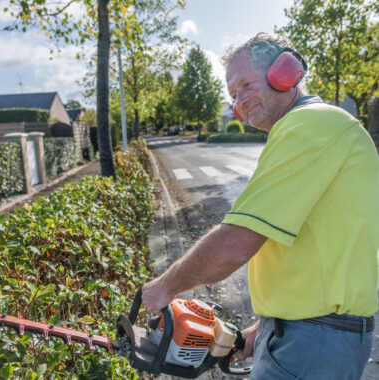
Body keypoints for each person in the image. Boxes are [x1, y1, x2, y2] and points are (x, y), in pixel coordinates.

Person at [142, 33, 379, 379]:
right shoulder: (312, 129)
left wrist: (164, 286)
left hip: (314, 344)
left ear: (284, 72)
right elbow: (316, 248)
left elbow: (237, 243)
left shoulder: (311, 125)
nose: (239, 100)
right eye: (233, 94)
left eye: (246, 85)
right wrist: (264, 327)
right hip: (304, 333)